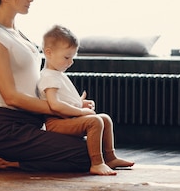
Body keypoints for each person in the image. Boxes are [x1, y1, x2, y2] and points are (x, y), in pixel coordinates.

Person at [0, 0, 91, 172]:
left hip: (31, 122)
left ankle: (5, 156)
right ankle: (6, 160)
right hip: (5, 128)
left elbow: (33, 85)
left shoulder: (17, 34)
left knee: (97, 147)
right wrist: (64, 110)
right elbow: (12, 97)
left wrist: (71, 104)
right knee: (86, 155)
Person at [37, 24, 134, 175]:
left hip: (67, 118)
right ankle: (97, 163)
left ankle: (110, 157)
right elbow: (55, 105)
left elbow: (64, 99)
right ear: (48, 53)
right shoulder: (48, 76)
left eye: (72, 57)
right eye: (67, 57)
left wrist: (80, 103)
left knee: (105, 119)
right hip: (56, 123)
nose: (71, 62)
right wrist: (81, 111)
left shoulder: (57, 74)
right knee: (95, 121)